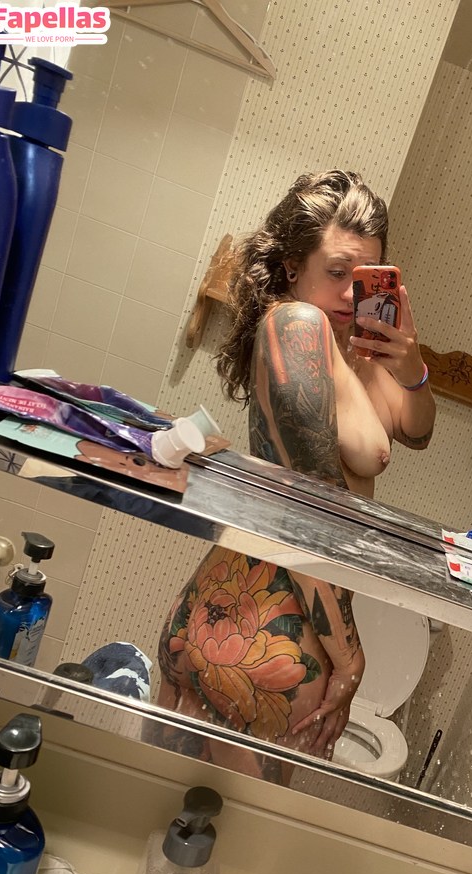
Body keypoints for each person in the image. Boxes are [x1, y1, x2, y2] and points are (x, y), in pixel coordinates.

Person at [155, 171, 436, 777]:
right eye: (336, 272)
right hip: (267, 636)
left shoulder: (356, 351)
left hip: (247, 624)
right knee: (232, 827)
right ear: (291, 267)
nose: (349, 292)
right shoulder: (298, 327)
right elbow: (307, 513)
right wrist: (350, 658)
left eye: (365, 277)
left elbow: (418, 431)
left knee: (154, 807)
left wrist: (411, 362)